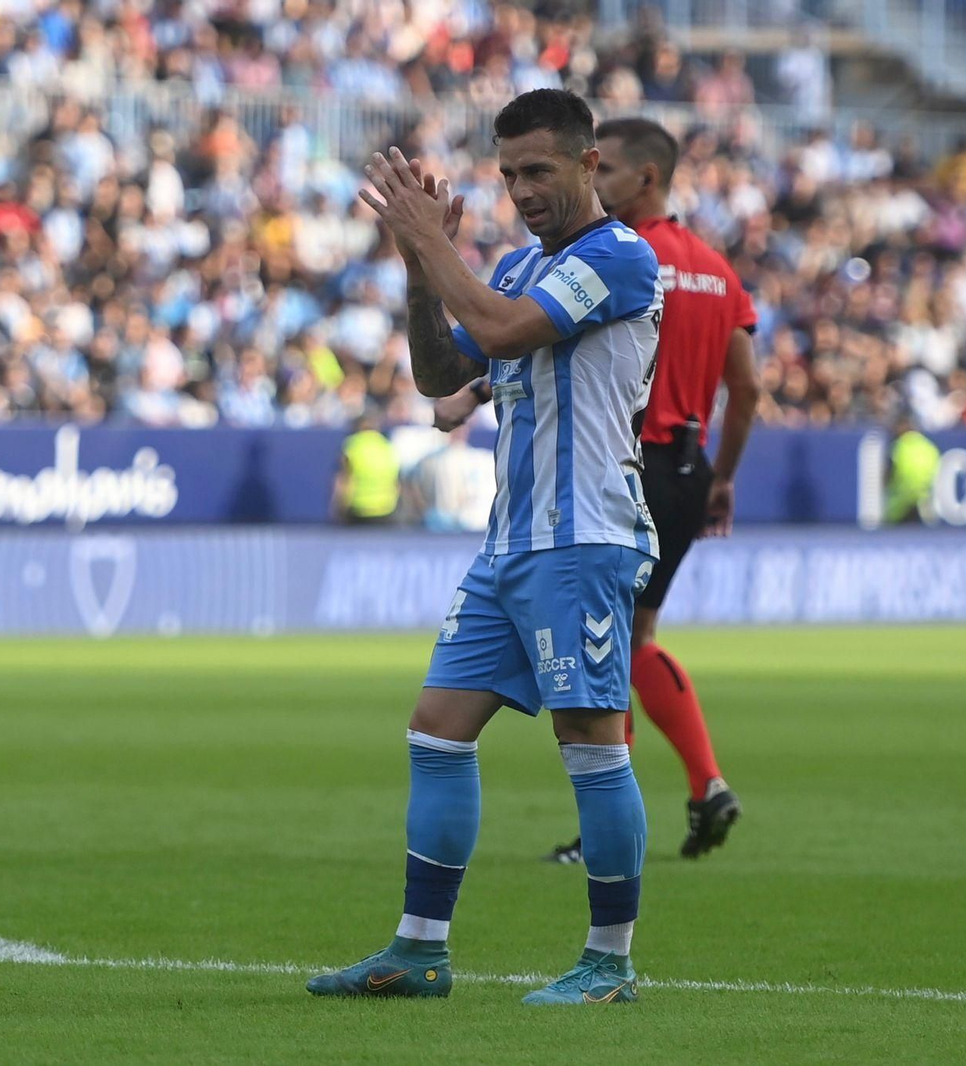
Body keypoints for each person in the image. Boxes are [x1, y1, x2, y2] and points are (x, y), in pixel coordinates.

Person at [307, 89, 662, 1005]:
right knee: (436, 729)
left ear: (589, 163)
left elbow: (503, 332)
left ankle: (610, 965)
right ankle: (419, 952)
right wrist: (418, 269)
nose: (522, 189)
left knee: (591, 744)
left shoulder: (619, 257)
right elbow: (441, 374)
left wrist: (434, 244)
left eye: (538, 170)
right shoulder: (514, 268)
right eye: (508, 174)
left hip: (584, 538)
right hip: (511, 543)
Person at [438, 117, 760, 862]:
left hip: (616, 467)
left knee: (617, 648)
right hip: (690, 465)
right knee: (636, 638)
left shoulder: (618, 256)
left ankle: (609, 829)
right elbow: (746, 387)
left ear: (644, 176)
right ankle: (705, 780)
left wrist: (476, 389)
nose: (597, 181)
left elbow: (576, 361)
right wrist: (723, 477)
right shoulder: (716, 269)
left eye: (606, 168)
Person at [332, 412, 401, 524]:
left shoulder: (352, 445)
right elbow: (397, 482)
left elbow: (344, 480)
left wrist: (339, 507)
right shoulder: (388, 446)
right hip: (386, 509)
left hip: (358, 510)